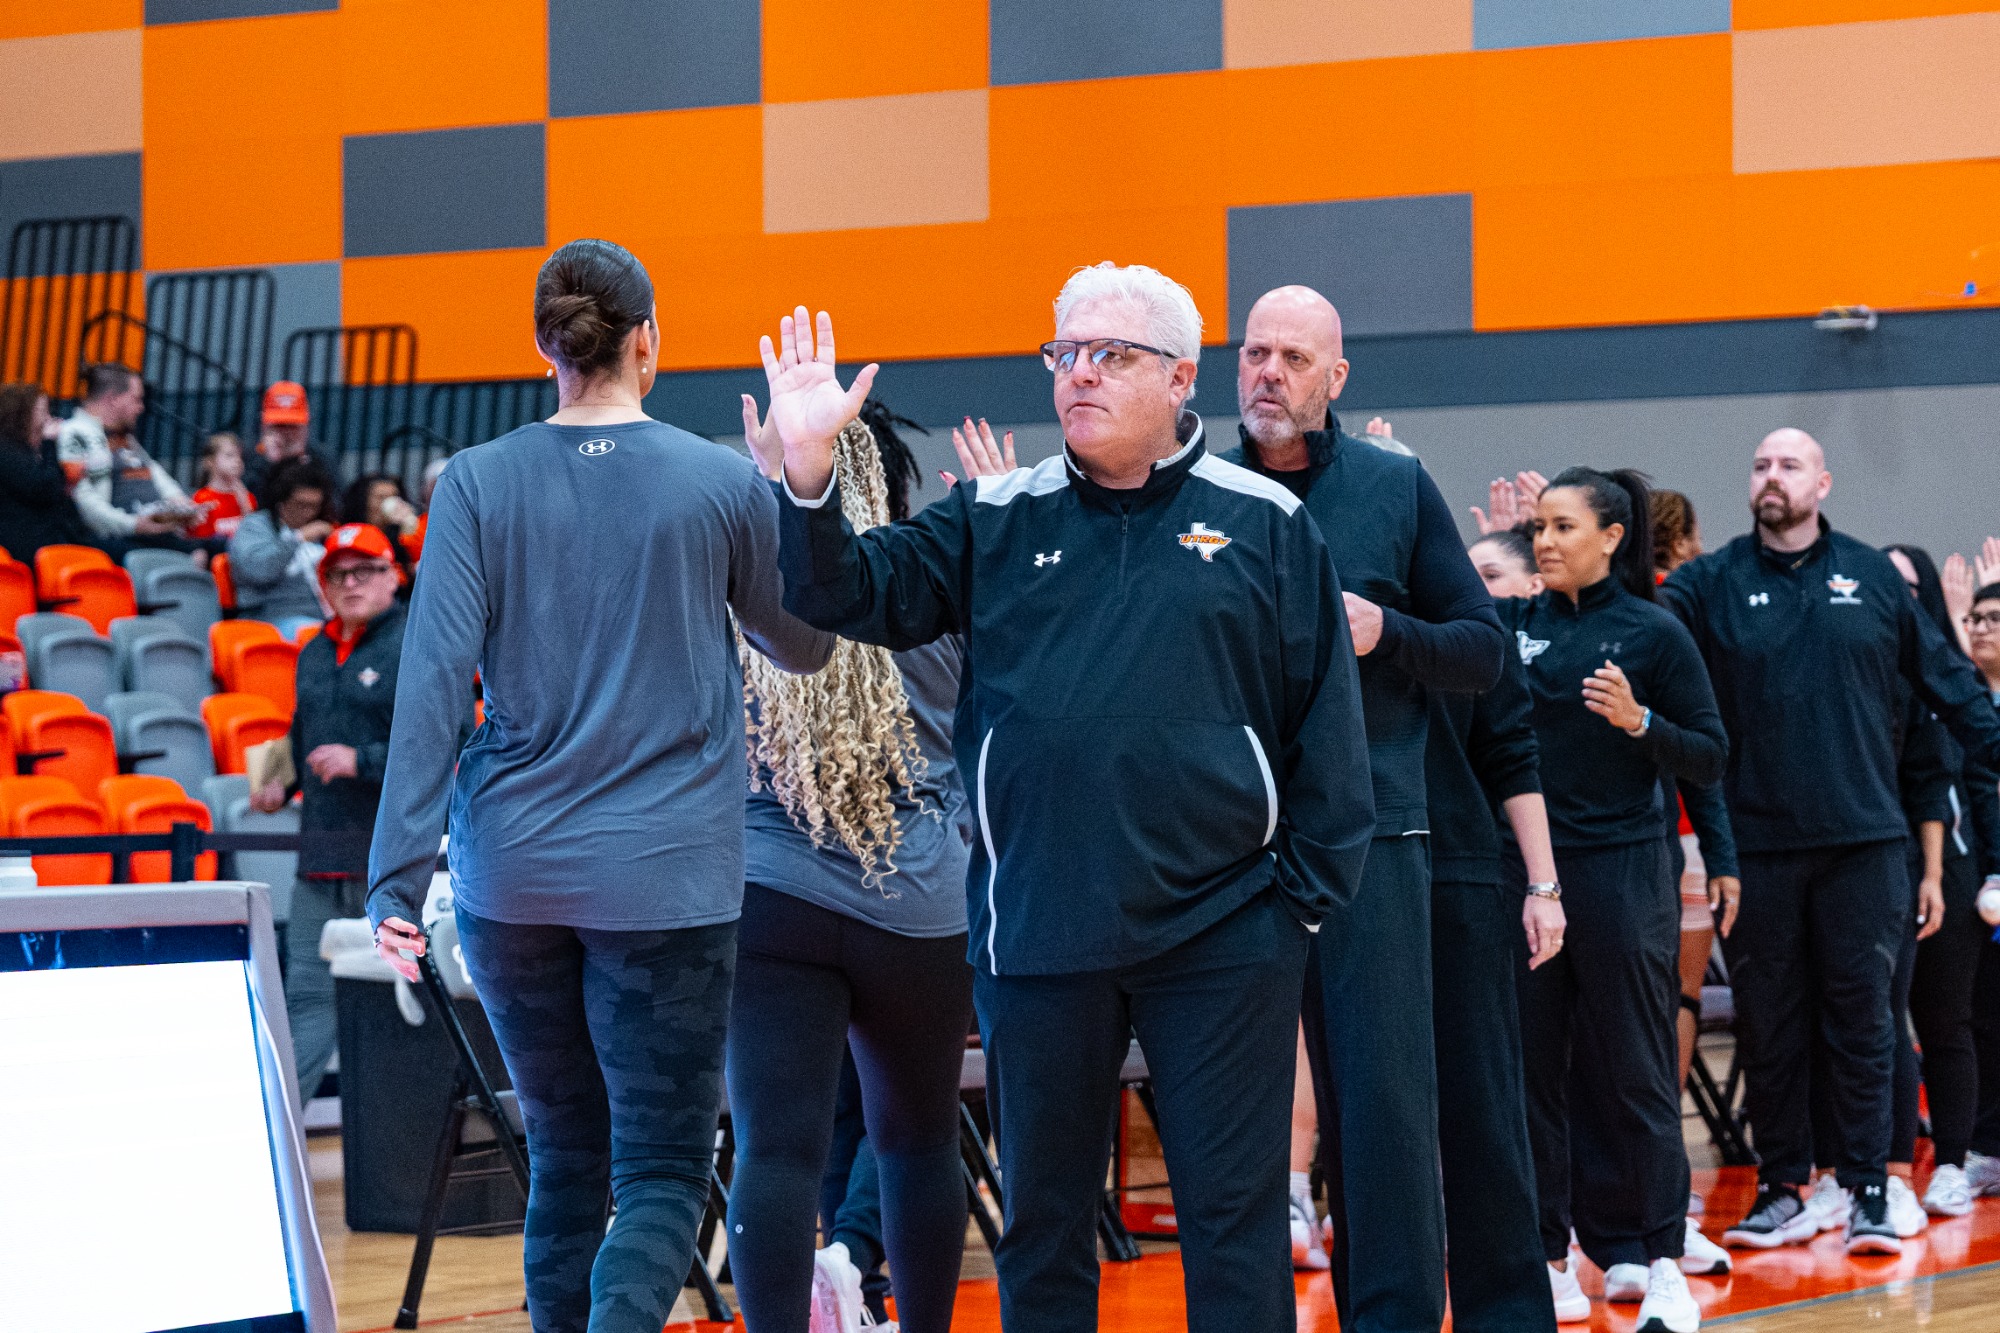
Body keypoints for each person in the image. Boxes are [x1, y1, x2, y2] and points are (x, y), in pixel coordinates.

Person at [762, 262, 1375, 1333]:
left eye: (1110, 355)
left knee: (1232, 1224)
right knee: (1042, 1228)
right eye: (1063, 353)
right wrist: (808, 477)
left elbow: (1327, 733)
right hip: (1037, 937)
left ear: (1182, 377)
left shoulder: (1267, 522)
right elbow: (839, 595)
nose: (1077, 375)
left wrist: (1297, 908)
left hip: (1225, 937)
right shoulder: (992, 518)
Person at [366, 238, 832, 1333]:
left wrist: (393, 880)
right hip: (666, 881)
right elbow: (806, 647)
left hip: (510, 879)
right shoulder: (722, 481)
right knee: (663, 1173)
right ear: (647, 343)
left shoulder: (476, 481)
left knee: (564, 1154)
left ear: (544, 346)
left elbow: (431, 686)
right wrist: (797, 496)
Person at [1220, 284, 1505, 1333]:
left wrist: (1386, 630)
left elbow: (1480, 649)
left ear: (1335, 379)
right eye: (1253, 352)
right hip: (1225, 846)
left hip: (1377, 834)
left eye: (1293, 358)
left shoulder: (1393, 486)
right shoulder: (1189, 490)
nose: (1267, 373)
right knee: (1235, 1114)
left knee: (1382, 1115)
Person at [1659, 428, 2000, 1255]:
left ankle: (1871, 1187)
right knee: (1771, 1025)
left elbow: (1946, 681)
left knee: (1864, 1021)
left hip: (1866, 844)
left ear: (1823, 482)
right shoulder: (1710, 584)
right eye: (1760, 465)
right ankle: (1785, 1188)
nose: (1771, 477)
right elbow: (1640, 636)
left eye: (1789, 465)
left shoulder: (1873, 576)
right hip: (1758, 848)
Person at [723, 401, 973, 1333]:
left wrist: (768, 479)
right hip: (916, 906)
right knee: (918, 1143)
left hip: (772, 896)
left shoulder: (751, 597)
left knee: (773, 1153)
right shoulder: (938, 592)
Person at [1500, 469, 1723, 1333]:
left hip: (1625, 874)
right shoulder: (1515, 624)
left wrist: (1640, 723)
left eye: (1562, 526)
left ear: (1613, 535)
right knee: (1533, 1077)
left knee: (1634, 1071)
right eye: (1537, 527)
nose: (1545, 541)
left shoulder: (1655, 635)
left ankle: (1665, 1260)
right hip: (1531, 880)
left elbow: (1710, 755)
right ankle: (1552, 1260)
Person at [1429, 524, 1568, 1332]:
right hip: (1355, 883)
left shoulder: (1479, 643)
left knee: (1490, 1098)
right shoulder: (1341, 618)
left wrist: (1542, 884)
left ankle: (1526, 1290)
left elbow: (1514, 752)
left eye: (1491, 571)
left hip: (1471, 877)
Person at [253, 522, 409, 1103]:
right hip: (320, 855)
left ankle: (410, 1148)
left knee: (404, 1002)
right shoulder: (316, 650)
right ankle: (277, 1134)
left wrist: (361, 760)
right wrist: (279, 782)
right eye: (337, 573)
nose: (350, 583)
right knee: (305, 998)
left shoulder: (418, 642)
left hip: (391, 861)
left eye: (364, 570)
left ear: (393, 575)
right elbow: (304, 731)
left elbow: (452, 747)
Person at [1881, 547, 2000, 1220]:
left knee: (1947, 1018)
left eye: (1904, 584)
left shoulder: (1945, 681)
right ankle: (1877, 1173)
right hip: (1868, 862)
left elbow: (1970, 786)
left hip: (1945, 867)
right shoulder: (1867, 673)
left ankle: (1952, 1163)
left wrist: (1986, 870)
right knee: (1877, 1025)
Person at [1650, 489, 1741, 1268]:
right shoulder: (1677, 614)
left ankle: (1653, 1176)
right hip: (1672, 835)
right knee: (1673, 1000)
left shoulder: (1605, 611)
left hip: (1660, 835)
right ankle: (1661, 1157)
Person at [57, 363, 208, 550]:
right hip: (118, 539)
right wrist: (134, 525)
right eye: (136, 399)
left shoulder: (124, 436)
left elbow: (154, 472)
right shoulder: (74, 434)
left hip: (154, 533)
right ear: (112, 399)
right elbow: (84, 501)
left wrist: (181, 504)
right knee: (206, 552)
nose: (141, 408)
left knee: (217, 547)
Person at [228, 457, 334, 635]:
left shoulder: (322, 532)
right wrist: (298, 538)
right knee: (313, 636)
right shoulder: (255, 526)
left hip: (324, 617)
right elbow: (258, 570)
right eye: (301, 505)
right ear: (282, 503)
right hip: (270, 617)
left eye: (315, 506)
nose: (308, 513)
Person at [0, 383, 100, 562]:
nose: (49, 418)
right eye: (42, 411)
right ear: (22, 413)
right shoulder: (7, 450)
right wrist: (49, 444)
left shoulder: (24, 450)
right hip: (26, 545)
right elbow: (44, 488)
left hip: (48, 538)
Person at [243, 380, 339, 498]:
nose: (286, 432)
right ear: (264, 426)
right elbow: (247, 506)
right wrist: (269, 463)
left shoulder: (321, 459)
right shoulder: (250, 458)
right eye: (279, 425)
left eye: (293, 425)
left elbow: (337, 506)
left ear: (306, 427)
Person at [341, 473, 420, 584]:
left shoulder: (403, 536)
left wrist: (410, 526)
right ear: (363, 501)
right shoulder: (348, 534)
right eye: (380, 497)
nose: (390, 503)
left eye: (394, 497)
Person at [189, 432, 257, 540]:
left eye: (240, 456)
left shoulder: (247, 497)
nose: (237, 461)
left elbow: (255, 535)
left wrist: (245, 504)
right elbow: (201, 541)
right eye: (229, 455)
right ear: (210, 462)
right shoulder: (202, 498)